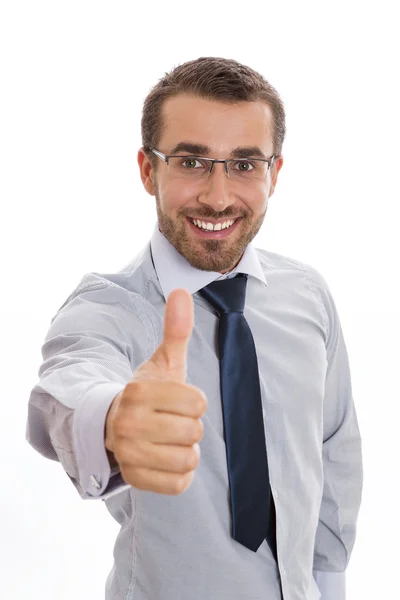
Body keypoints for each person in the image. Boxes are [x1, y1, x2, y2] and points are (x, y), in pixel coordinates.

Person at [25, 56, 363, 600]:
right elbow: (70, 381)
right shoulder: (107, 308)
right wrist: (111, 421)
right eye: (191, 161)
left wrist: (330, 584)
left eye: (245, 164)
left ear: (274, 174)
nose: (219, 196)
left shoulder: (308, 295)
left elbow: (333, 448)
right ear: (147, 170)